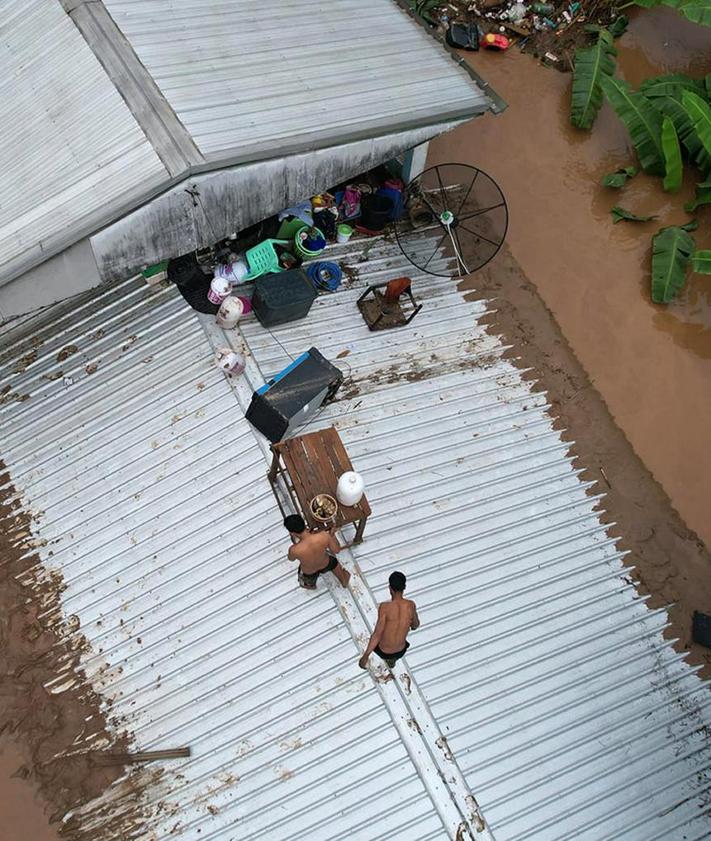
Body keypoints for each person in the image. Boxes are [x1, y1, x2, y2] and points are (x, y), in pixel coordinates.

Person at [359, 571, 420, 669]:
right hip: (400, 651)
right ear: (404, 587)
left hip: (384, 652)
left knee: (380, 634)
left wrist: (365, 656)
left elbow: (377, 635)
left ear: (390, 588)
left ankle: (389, 659)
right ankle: (393, 660)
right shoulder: (410, 605)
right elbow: (416, 625)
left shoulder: (385, 607)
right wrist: (410, 625)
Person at [284, 514, 351, 590]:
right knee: (334, 562)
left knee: (305, 582)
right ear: (304, 525)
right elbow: (337, 550)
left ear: (292, 533)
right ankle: (344, 580)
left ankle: (311, 586)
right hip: (325, 564)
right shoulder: (324, 536)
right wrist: (332, 535)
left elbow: (291, 559)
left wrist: (296, 543)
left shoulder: (294, 550)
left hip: (309, 572)